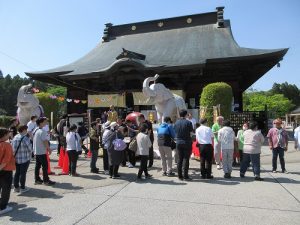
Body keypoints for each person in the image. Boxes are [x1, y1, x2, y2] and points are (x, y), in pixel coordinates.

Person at [33, 117, 55, 185]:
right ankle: (46, 180)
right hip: (42, 152)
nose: (46, 123)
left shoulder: (36, 130)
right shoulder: (42, 131)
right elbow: (45, 141)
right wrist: (49, 149)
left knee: (37, 166)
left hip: (37, 151)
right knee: (45, 166)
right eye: (45, 121)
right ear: (41, 123)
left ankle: (37, 179)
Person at [12, 125, 32, 193]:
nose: (27, 131)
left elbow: (12, 148)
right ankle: (23, 187)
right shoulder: (25, 138)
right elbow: (30, 149)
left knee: (17, 173)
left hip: (16, 158)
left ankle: (16, 187)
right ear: (23, 130)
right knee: (23, 173)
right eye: (26, 129)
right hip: (24, 159)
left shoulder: (15, 137)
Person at [174, 109, 193, 181]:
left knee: (180, 159)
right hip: (187, 142)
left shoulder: (176, 123)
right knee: (186, 159)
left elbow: (175, 132)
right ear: (186, 115)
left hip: (178, 142)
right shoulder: (188, 122)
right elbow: (191, 133)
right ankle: (185, 176)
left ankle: (180, 176)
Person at [0, 127, 16, 215]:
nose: (9, 135)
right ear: (3, 135)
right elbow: (6, 160)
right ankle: (3, 207)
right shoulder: (6, 145)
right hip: (5, 169)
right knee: (6, 188)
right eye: (7, 134)